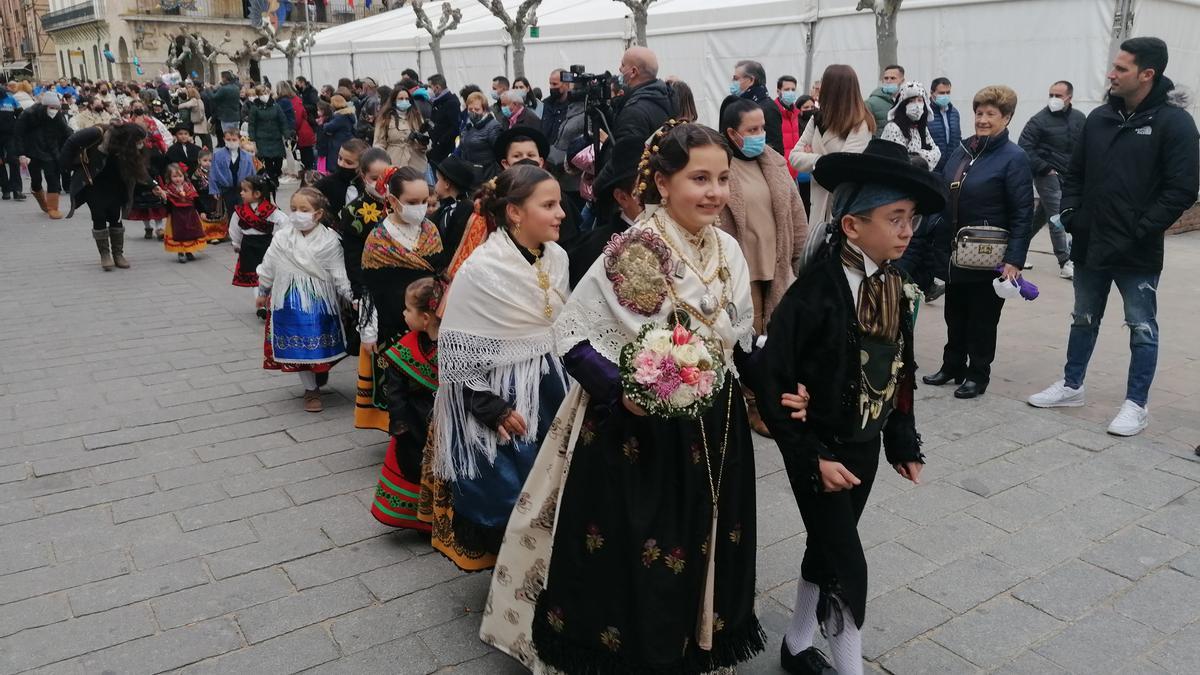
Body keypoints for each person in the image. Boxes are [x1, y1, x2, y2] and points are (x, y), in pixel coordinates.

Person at [483, 122, 763, 673]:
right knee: (645, 548)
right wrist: (625, 392)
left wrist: (773, 388)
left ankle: (695, 638)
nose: (714, 192)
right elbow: (574, 336)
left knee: (708, 533)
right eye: (699, 178)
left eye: (723, 179)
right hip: (639, 428)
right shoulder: (636, 248)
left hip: (716, 421)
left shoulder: (728, 247)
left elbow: (740, 336)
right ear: (662, 182)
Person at [755, 137, 943, 675]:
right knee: (846, 563)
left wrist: (901, 439)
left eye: (911, 219)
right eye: (894, 218)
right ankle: (849, 667)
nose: (907, 231)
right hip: (821, 451)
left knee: (826, 547)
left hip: (860, 447)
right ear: (853, 225)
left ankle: (796, 646)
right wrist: (811, 455)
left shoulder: (898, 286)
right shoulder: (815, 293)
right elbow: (773, 382)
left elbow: (900, 369)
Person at [1028, 37, 1199, 436]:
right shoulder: (1101, 118)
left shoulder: (1175, 123)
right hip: (1091, 242)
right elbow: (1076, 172)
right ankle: (1072, 386)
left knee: (1141, 326)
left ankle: (1135, 405)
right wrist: (1070, 214)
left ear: (1147, 74)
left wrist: (1141, 229)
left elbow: (1182, 189)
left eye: (1121, 68)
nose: (1111, 74)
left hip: (1137, 249)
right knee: (1083, 317)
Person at [427, 164, 569, 574]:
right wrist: (490, 406)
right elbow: (457, 350)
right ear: (515, 213)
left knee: (555, 488)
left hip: (552, 389)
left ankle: (548, 574)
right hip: (506, 396)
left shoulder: (557, 258)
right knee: (514, 489)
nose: (561, 213)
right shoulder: (481, 269)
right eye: (549, 205)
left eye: (559, 203)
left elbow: (563, 326)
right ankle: (514, 577)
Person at [926, 85, 1033, 399]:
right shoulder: (964, 150)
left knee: (983, 319)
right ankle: (952, 365)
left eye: (991, 114)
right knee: (954, 313)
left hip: (989, 255)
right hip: (956, 252)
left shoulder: (1014, 158)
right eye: (979, 113)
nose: (983, 120)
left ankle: (978, 373)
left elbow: (1023, 212)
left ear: (1007, 118)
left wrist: (1014, 260)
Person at [719, 97, 809, 436]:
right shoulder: (722, 166)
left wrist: (799, 255)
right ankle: (751, 404)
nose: (760, 134)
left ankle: (768, 401)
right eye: (751, 129)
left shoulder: (772, 161)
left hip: (777, 264)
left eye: (763, 128)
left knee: (773, 340)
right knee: (746, 340)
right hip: (743, 270)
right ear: (732, 133)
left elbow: (795, 212)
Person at [356, 166, 447, 432]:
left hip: (427, 322)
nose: (419, 208)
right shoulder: (377, 238)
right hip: (390, 322)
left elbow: (441, 278)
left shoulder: (431, 231)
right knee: (395, 384)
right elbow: (369, 289)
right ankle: (396, 430)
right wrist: (368, 330)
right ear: (393, 201)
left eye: (424, 202)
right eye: (411, 203)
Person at [257, 187, 353, 413]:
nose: (297, 213)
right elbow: (269, 264)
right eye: (293, 209)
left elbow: (339, 272)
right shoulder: (281, 237)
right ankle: (310, 390)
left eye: (304, 209)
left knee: (323, 346)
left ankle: (319, 369)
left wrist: (352, 297)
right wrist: (262, 290)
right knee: (299, 349)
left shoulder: (330, 241)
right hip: (288, 302)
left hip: (320, 302)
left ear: (318, 214)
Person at [370, 276, 445, 530]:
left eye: (408, 309)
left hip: (443, 423)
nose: (403, 313)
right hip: (414, 423)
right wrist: (399, 424)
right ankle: (419, 519)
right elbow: (396, 394)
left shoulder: (452, 347)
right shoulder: (403, 350)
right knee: (414, 468)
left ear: (425, 318)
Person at [789, 64, 875, 262]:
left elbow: (846, 168)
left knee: (842, 261)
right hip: (818, 201)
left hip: (845, 204)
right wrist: (825, 161)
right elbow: (794, 157)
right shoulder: (818, 119)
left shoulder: (860, 123)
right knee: (816, 258)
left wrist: (814, 159)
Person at [1018, 80, 1085, 279]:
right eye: (1051, 95)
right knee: (1057, 216)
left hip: (1069, 174)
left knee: (1040, 216)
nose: (1053, 99)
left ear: (1069, 98)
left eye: (1058, 96)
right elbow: (1025, 146)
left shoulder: (1080, 118)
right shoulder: (1039, 120)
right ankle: (1065, 261)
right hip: (1047, 174)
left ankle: (1015, 251)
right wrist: (1045, 168)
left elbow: (1085, 146)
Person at [59, 122, 150, 270]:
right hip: (94, 183)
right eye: (138, 141)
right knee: (98, 216)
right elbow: (71, 142)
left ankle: (118, 254)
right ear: (127, 139)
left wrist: (155, 186)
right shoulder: (98, 134)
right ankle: (105, 255)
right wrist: (64, 167)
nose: (141, 144)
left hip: (117, 184)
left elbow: (140, 169)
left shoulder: (130, 149)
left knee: (115, 216)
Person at [593, 46, 675, 200]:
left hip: (632, 196)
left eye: (623, 65)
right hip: (655, 186)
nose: (619, 69)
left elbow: (623, 159)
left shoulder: (635, 110)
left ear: (634, 72)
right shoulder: (665, 97)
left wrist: (597, 187)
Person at [15, 91, 71, 219]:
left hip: (50, 150)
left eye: (57, 108)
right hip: (32, 151)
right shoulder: (28, 114)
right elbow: (18, 134)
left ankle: (53, 208)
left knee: (52, 178)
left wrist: (76, 140)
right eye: (52, 108)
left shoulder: (57, 116)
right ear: (45, 106)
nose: (54, 111)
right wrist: (21, 154)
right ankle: (42, 201)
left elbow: (66, 131)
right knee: (36, 180)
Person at [230, 174, 288, 294]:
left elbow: (286, 223)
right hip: (248, 247)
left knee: (268, 273)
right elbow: (234, 228)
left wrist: (283, 240)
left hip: (266, 245)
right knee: (255, 277)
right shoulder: (240, 211)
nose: (241, 193)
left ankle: (268, 300)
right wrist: (236, 242)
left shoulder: (270, 209)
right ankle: (260, 304)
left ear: (257, 194)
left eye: (245, 190)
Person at [879, 81, 941, 170]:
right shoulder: (893, 128)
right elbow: (900, 159)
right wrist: (922, 156)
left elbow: (936, 153)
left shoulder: (921, 129)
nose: (916, 105)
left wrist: (916, 155)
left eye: (920, 100)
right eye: (911, 101)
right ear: (903, 104)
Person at [730, 59, 784, 155]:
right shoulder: (740, 105)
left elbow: (775, 149)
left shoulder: (767, 107)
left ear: (751, 80)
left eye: (736, 78)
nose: (733, 82)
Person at [210, 125, 257, 228]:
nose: (231, 142)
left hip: (243, 187)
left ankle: (245, 228)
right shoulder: (218, 155)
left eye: (234, 139)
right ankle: (233, 231)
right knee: (231, 210)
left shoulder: (247, 156)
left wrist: (255, 187)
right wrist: (215, 190)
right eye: (228, 139)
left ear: (239, 140)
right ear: (224, 139)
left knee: (244, 208)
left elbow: (253, 172)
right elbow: (213, 173)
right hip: (226, 188)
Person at [431, 156, 478, 257]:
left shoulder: (455, 211)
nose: (436, 184)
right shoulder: (452, 206)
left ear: (447, 184)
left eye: (438, 180)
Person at [374, 87, 429, 173]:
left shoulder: (417, 117)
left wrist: (423, 144)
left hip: (416, 165)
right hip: (394, 163)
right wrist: (383, 163)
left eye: (407, 99)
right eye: (401, 99)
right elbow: (378, 144)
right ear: (394, 100)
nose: (404, 101)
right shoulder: (385, 118)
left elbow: (427, 141)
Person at [247, 85, 288, 197]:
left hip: (276, 136)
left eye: (265, 92)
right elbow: (252, 124)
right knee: (268, 160)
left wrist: (287, 133)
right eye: (261, 93)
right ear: (258, 95)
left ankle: (276, 173)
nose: (264, 95)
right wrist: (252, 138)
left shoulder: (276, 106)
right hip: (262, 138)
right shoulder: (255, 107)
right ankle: (273, 180)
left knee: (279, 158)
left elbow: (282, 120)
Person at [459, 91, 503, 174]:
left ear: (484, 109)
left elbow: (500, 153)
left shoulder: (493, 126)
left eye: (477, 109)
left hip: (488, 175)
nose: (473, 112)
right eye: (470, 109)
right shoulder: (468, 126)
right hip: (471, 173)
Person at [280, 80, 316, 172]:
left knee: (303, 160)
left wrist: (291, 130)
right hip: (304, 130)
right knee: (306, 158)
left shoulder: (289, 102)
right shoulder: (297, 99)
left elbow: (297, 118)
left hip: (299, 133)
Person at [192, 150, 227, 243]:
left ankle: (220, 233)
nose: (208, 163)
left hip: (216, 197)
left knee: (218, 214)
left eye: (210, 161)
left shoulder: (216, 171)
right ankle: (209, 235)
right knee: (207, 215)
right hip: (204, 197)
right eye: (205, 160)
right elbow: (195, 188)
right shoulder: (197, 174)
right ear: (199, 161)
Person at [927, 77, 960, 174]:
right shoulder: (925, 113)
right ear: (932, 93)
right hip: (932, 167)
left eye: (948, 92)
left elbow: (957, 138)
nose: (945, 96)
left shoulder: (954, 113)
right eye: (941, 93)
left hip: (951, 166)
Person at [426, 73, 460, 166]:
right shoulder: (437, 102)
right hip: (436, 149)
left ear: (437, 87)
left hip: (444, 151)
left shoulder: (451, 102)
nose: (428, 90)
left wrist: (440, 141)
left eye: (429, 87)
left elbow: (455, 127)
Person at [776, 75, 804, 179]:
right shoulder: (774, 111)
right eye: (787, 89)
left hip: (794, 169)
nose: (791, 92)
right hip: (780, 171)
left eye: (793, 89)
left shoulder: (795, 113)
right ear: (779, 91)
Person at [320, 95, 357, 173]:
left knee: (336, 163)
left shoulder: (340, 116)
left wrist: (323, 123)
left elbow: (329, 127)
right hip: (346, 139)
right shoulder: (348, 114)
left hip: (338, 142)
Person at [0, 83, 25, 201]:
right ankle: (5, 190)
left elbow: (20, 114)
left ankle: (17, 190)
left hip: (10, 135)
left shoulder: (11, 99)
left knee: (13, 161)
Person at [865, 64, 904, 137]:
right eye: (886, 78)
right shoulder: (870, 103)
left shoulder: (906, 102)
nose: (888, 81)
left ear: (902, 81)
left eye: (893, 78)